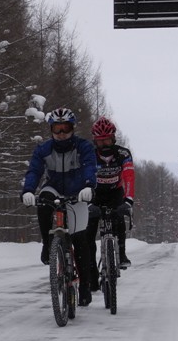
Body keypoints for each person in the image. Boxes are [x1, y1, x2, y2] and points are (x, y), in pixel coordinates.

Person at [21, 107, 97, 306]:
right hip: (54, 188)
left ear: (73, 128)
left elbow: (90, 166)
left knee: (80, 238)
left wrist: (89, 186)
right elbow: (34, 171)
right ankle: (48, 244)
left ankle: (85, 285)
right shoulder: (43, 149)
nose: (62, 134)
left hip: (78, 192)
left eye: (66, 128)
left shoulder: (83, 147)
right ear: (51, 130)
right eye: (57, 129)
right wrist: (28, 190)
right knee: (43, 200)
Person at [86, 116, 135, 292]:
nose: (104, 144)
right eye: (100, 141)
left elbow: (129, 176)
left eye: (107, 140)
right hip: (95, 194)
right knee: (88, 231)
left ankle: (121, 254)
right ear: (95, 141)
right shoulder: (89, 155)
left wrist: (129, 200)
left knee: (118, 218)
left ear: (113, 138)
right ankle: (91, 271)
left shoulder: (123, 154)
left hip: (115, 192)